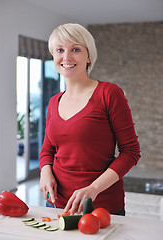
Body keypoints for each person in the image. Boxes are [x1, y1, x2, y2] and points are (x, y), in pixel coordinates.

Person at [39, 23, 141, 216]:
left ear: (88, 56)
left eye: (75, 49)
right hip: (57, 204)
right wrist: (45, 173)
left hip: (101, 206)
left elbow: (131, 152)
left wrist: (93, 189)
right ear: (53, 56)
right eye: (60, 50)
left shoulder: (109, 94)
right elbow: (48, 149)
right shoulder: (53, 102)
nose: (66, 57)